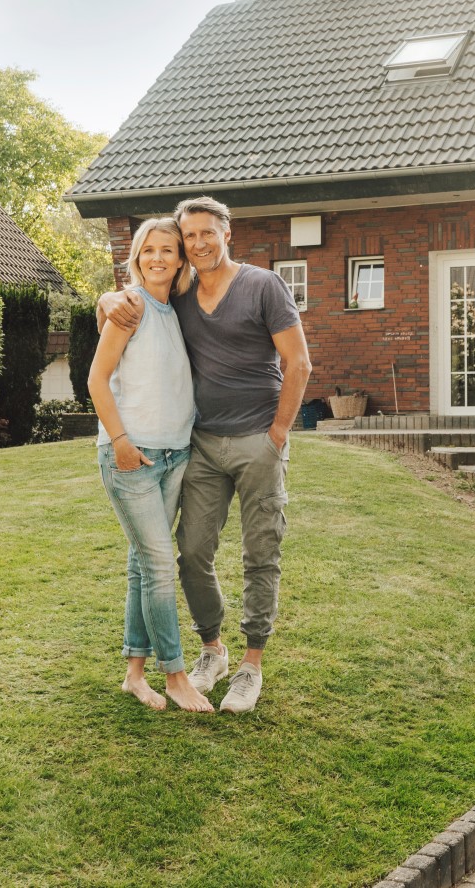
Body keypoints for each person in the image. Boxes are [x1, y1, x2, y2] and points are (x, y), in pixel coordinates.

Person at [100, 195, 311, 714]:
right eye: (189, 237)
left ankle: (250, 666)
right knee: (191, 554)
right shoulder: (183, 296)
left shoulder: (263, 285)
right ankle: (212, 651)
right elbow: (134, 302)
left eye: (206, 234)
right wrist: (106, 300)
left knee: (260, 554)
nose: (198, 244)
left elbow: (299, 361)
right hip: (201, 444)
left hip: (258, 442)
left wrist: (278, 433)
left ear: (226, 234)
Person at [88, 217, 214, 712]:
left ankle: (134, 674)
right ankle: (176, 675)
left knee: (144, 566)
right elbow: (97, 379)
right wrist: (119, 440)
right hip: (132, 456)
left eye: (167, 250)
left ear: (180, 259)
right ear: (136, 258)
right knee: (161, 565)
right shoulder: (130, 306)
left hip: (174, 455)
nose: (158, 258)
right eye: (148, 251)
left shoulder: (175, 309)